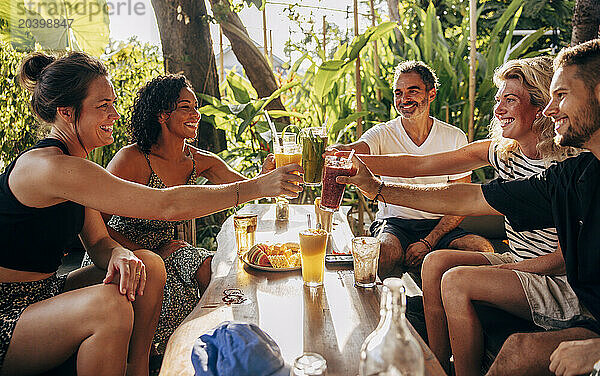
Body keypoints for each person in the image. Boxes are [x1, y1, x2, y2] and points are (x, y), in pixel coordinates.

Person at [0, 52, 302, 376]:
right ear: (66, 112)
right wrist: (258, 187)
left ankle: (140, 368)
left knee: (149, 265)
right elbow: (165, 205)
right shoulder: (49, 167)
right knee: (109, 307)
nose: (115, 114)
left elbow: (98, 238)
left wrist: (118, 253)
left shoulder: (77, 168)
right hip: (9, 310)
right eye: (103, 106)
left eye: (114, 104)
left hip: (47, 291)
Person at [338, 39, 600, 376]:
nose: (552, 109)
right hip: (518, 260)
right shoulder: (565, 174)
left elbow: (563, 257)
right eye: (498, 99)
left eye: (559, 97)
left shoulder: (566, 164)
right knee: (436, 265)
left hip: (553, 276)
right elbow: (445, 181)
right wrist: (363, 175)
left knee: (457, 280)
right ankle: (438, 362)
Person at [81, 74, 275, 355]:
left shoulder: (199, 160)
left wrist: (266, 175)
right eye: (186, 107)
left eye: (196, 107)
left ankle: (230, 347)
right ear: (162, 115)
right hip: (118, 252)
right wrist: (144, 251)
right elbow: (93, 223)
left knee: (213, 269)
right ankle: (153, 358)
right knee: (168, 283)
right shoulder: (133, 159)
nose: (195, 114)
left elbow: (247, 187)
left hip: (167, 251)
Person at [329, 60, 492, 277]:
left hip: (439, 226)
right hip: (395, 223)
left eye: (412, 91)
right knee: (386, 251)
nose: (404, 99)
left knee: (482, 250)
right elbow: (355, 150)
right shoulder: (381, 133)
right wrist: (337, 150)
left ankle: (442, 308)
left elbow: (460, 203)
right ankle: (388, 308)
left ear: (431, 94)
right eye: (398, 92)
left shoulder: (454, 137)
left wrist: (429, 241)